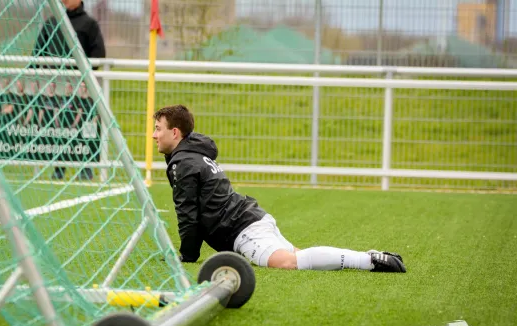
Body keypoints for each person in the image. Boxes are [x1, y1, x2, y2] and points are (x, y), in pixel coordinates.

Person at [152, 105, 407, 273]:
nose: (154, 135)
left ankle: (368, 260)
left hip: (242, 229)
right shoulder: (193, 154)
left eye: (158, 129)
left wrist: (187, 256)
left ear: (175, 133)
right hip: (252, 218)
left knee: (287, 262)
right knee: (298, 255)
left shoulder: (183, 162)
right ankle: (371, 257)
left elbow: (187, 214)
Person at [32, 0, 105, 180]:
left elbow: (99, 55)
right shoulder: (51, 23)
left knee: (85, 128)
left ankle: (86, 167)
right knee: (59, 129)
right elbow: (37, 54)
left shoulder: (89, 24)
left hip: (81, 90)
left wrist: (84, 78)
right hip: (56, 90)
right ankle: (58, 167)